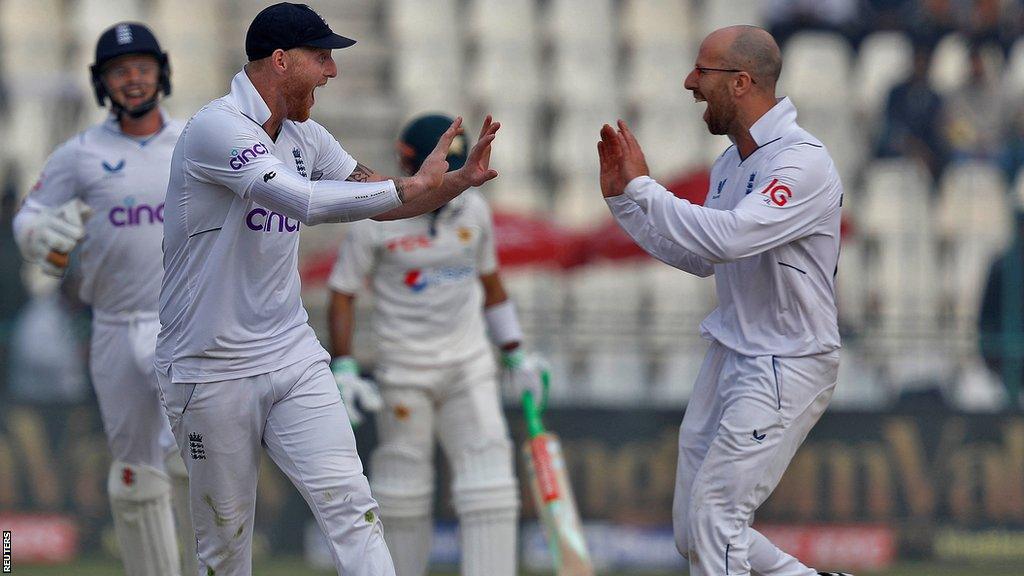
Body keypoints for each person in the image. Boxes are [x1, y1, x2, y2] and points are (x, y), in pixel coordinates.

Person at [154, 4, 499, 576]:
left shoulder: (305, 136)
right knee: (225, 547)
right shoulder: (216, 128)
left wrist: (454, 184)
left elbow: (387, 204)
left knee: (353, 508)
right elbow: (303, 200)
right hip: (208, 367)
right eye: (322, 57)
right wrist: (407, 186)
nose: (332, 71)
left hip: (291, 354)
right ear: (281, 60)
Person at [597, 26, 850, 576]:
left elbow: (729, 236)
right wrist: (625, 203)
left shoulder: (802, 162)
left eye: (701, 72)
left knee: (717, 520)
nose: (690, 83)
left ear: (741, 82)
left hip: (787, 359)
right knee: (694, 531)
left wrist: (646, 188)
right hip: (734, 351)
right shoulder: (731, 163)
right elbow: (705, 256)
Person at [12, 22, 197, 576]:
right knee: (135, 474)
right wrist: (39, 239)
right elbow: (30, 216)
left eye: (141, 67)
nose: (132, 79)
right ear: (102, 82)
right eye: (119, 71)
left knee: (193, 464)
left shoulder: (195, 140)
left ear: (160, 72)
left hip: (184, 325)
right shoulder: (82, 153)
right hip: (113, 327)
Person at [326, 114, 546, 576]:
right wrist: (343, 368)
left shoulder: (474, 211)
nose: (455, 182)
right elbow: (343, 292)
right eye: (445, 170)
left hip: (469, 365)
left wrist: (516, 351)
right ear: (411, 161)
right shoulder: (376, 216)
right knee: (402, 487)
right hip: (404, 368)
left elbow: (490, 282)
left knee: (490, 480)